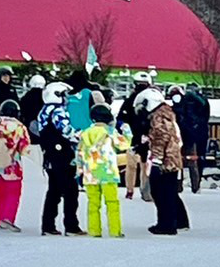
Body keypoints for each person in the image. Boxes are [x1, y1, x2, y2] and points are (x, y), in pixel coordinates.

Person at [36, 81, 84, 236]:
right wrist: (81, 136)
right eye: (64, 95)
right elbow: (66, 131)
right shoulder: (57, 111)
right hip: (62, 155)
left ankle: (48, 225)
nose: (67, 98)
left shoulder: (43, 111)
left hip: (49, 155)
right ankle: (71, 226)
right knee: (70, 191)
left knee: (54, 191)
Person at [142, 88, 190, 235]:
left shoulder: (159, 117)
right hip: (172, 158)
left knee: (161, 193)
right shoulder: (167, 114)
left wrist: (156, 160)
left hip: (164, 160)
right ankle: (179, 221)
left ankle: (166, 224)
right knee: (170, 192)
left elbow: (160, 139)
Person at [77, 103, 130, 238]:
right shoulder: (111, 132)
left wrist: (79, 169)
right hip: (108, 172)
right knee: (112, 202)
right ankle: (114, 230)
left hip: (90, 173)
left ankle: (94, 230)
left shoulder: (85, 132)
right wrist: (127, 131)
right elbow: (124, 144)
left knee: (93, 204)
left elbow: (80, 153)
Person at [0, 99, 31, 231]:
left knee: (1, 192)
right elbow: (24, 148)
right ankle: (8, 218)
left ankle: (0, 218)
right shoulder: (19, 128)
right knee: (14, 192)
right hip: (12, 164)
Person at [119, 72, 154, 202]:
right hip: (132, 136)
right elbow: (120, 118)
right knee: (131, 164)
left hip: (147, 136)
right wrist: (123, 127)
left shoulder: (151, 101)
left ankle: (145, 190)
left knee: (146, 165)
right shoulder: (129, 101)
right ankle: (129, 190)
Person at [173, 84, 211, 193]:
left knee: (179, 161)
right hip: (197, 135)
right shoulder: (203, 102)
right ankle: (196, 185)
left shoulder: (183, 102)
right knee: (195, 160)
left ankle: (179, 185)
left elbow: (178, 114)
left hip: (182, 135)